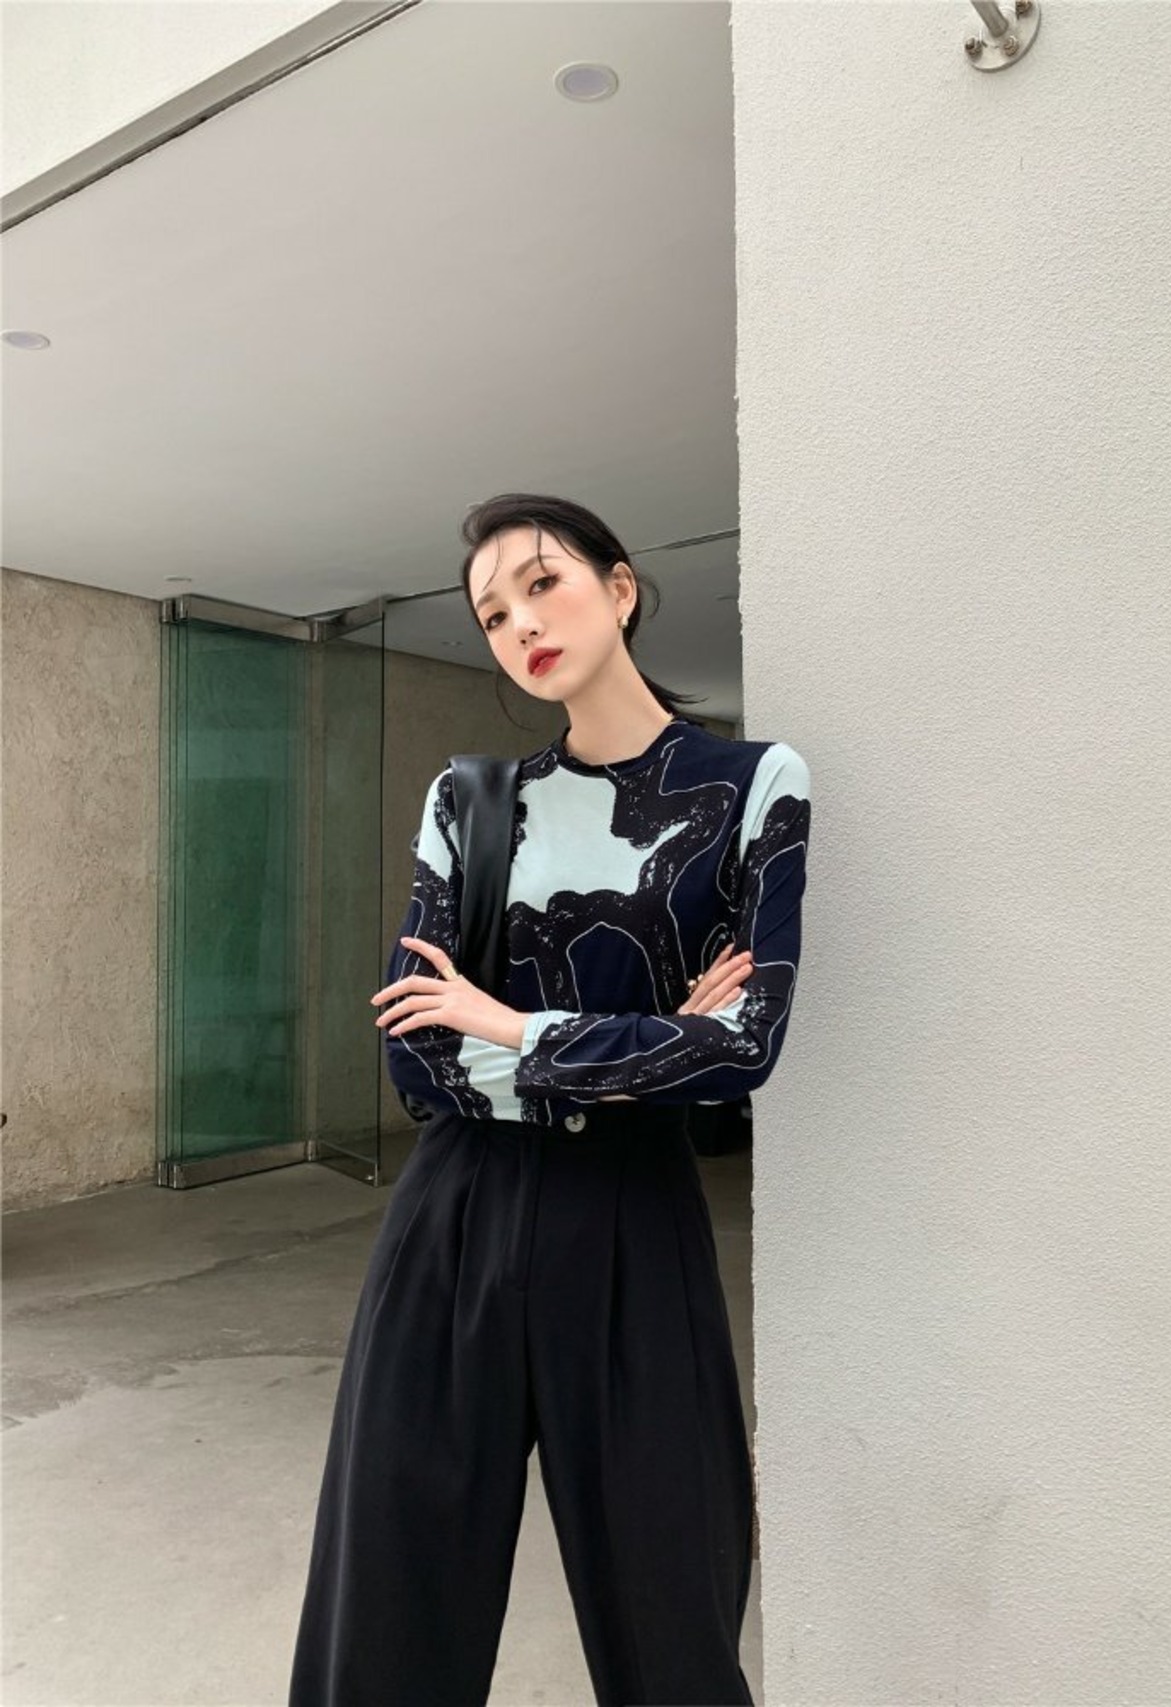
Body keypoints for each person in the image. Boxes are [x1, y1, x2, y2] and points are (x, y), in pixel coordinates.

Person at [287, 493, 811, 1707]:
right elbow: (418, 1058)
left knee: (671, 1617)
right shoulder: (470, 801)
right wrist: (648, 1039)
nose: (519, 622)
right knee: (387, 1612)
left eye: (541, 583)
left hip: (635, 1230)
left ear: (618, 588)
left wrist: (509, 1026)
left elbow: (742, 1049)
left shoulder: (751, 784)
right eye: (490, 614)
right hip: (451, 1226)